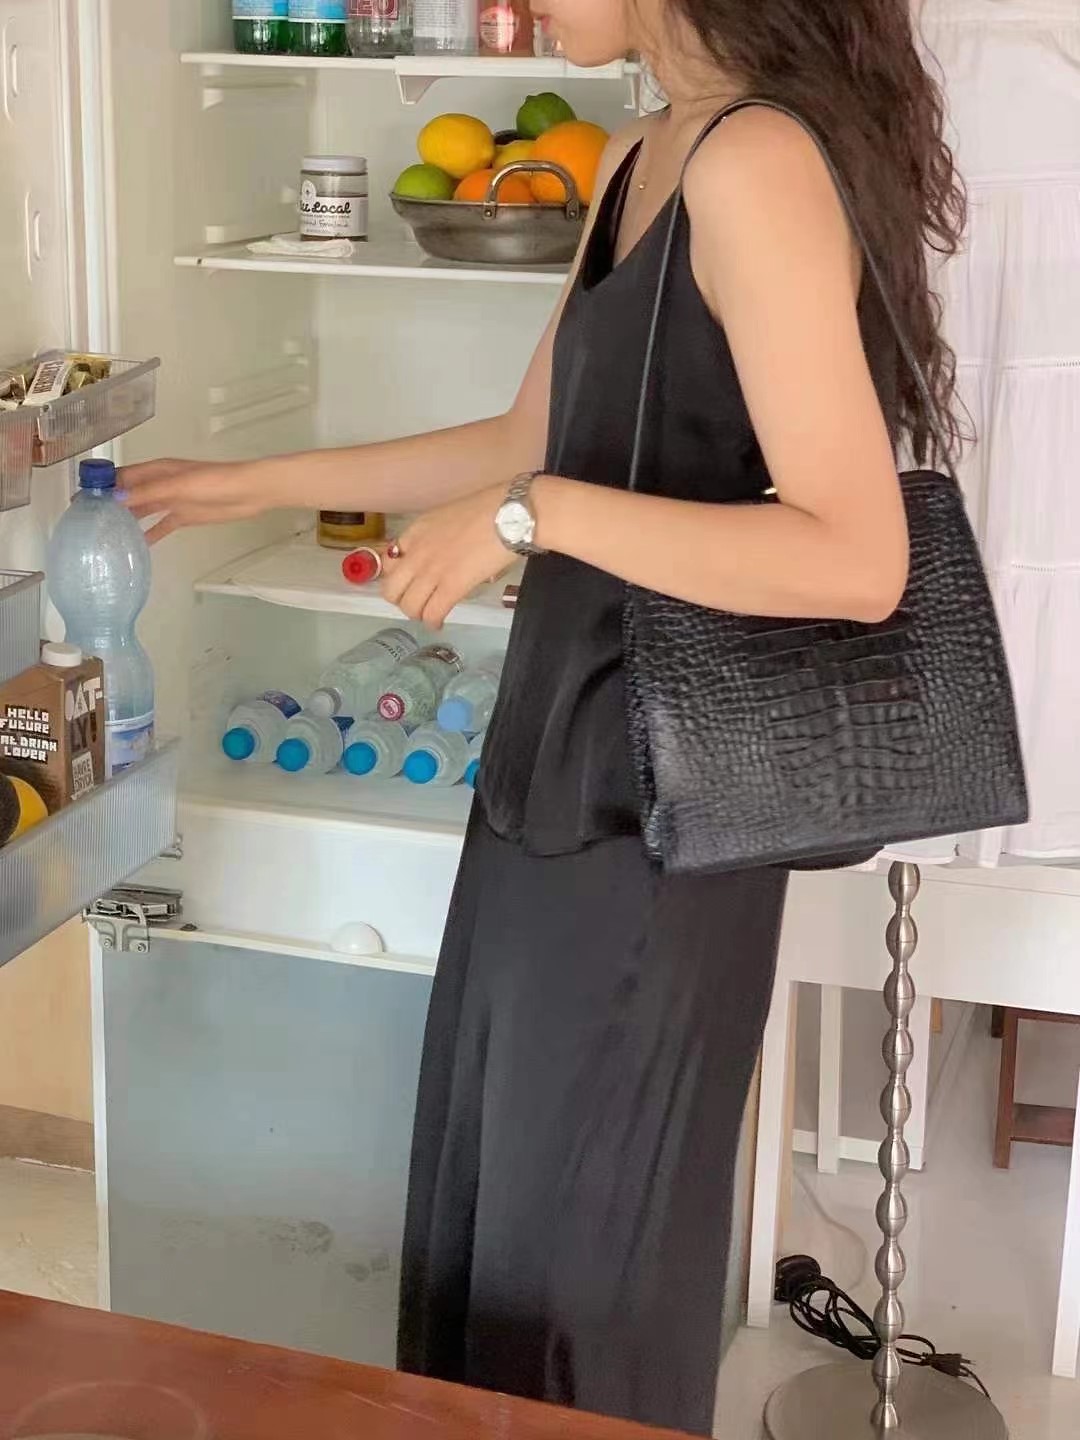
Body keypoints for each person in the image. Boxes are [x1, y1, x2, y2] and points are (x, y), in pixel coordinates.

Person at [122, 1, 965, 1431]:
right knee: (499, 1223)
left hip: (659, 813)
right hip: (554, 767)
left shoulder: (758, 163)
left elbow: (855, 556)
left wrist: (532, 516)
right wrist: (242, 482)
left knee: (583, 1263)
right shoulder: (641, 154)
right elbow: (528, 438)